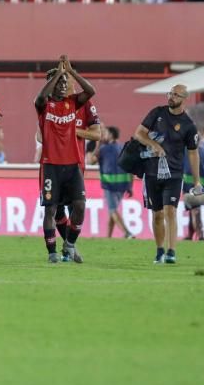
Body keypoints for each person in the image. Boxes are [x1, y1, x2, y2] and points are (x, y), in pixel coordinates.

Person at [133, 84, 203, 264]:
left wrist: (196, 181)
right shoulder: (157, 113)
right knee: (157, 215)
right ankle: (159, 250)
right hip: (151, 172)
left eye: (175, 95)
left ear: (184, 98)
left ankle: (171, 251)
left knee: (170, 211)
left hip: (174, 174)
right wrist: (153, 144)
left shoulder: (188, 125)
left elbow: (193, 153)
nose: (170, 97)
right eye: (170, 93)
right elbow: (139, 134)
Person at [34, 56, 96, 263]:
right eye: (59, 82)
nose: (63, 85)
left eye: (65, 82)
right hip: (51, 166)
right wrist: (58, 74)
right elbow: (40, 97)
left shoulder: (73, 103)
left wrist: (71, 72)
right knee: (51, 210)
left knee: (79, 206)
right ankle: (52, 252)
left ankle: (69, 245)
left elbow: (90, 91)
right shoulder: (43, 105)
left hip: (72, 165)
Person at [97, 126, 135, 238]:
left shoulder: (104, 149)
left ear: (111, 135)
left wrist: (98, 144)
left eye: (106, 133)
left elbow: (91, 159)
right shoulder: (124, 147)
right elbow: (131, 168)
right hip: (123, 185)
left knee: (112, 210)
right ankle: (108, 237)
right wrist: (130, 186)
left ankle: (127, 233)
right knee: (112, 212)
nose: (104, 135)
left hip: (109, 184)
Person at [183, 134, 204, 240]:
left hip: (191, 186)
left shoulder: (186, 152)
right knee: (193, 208)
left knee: (194, 209)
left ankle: (200, 234)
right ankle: (190, 234)